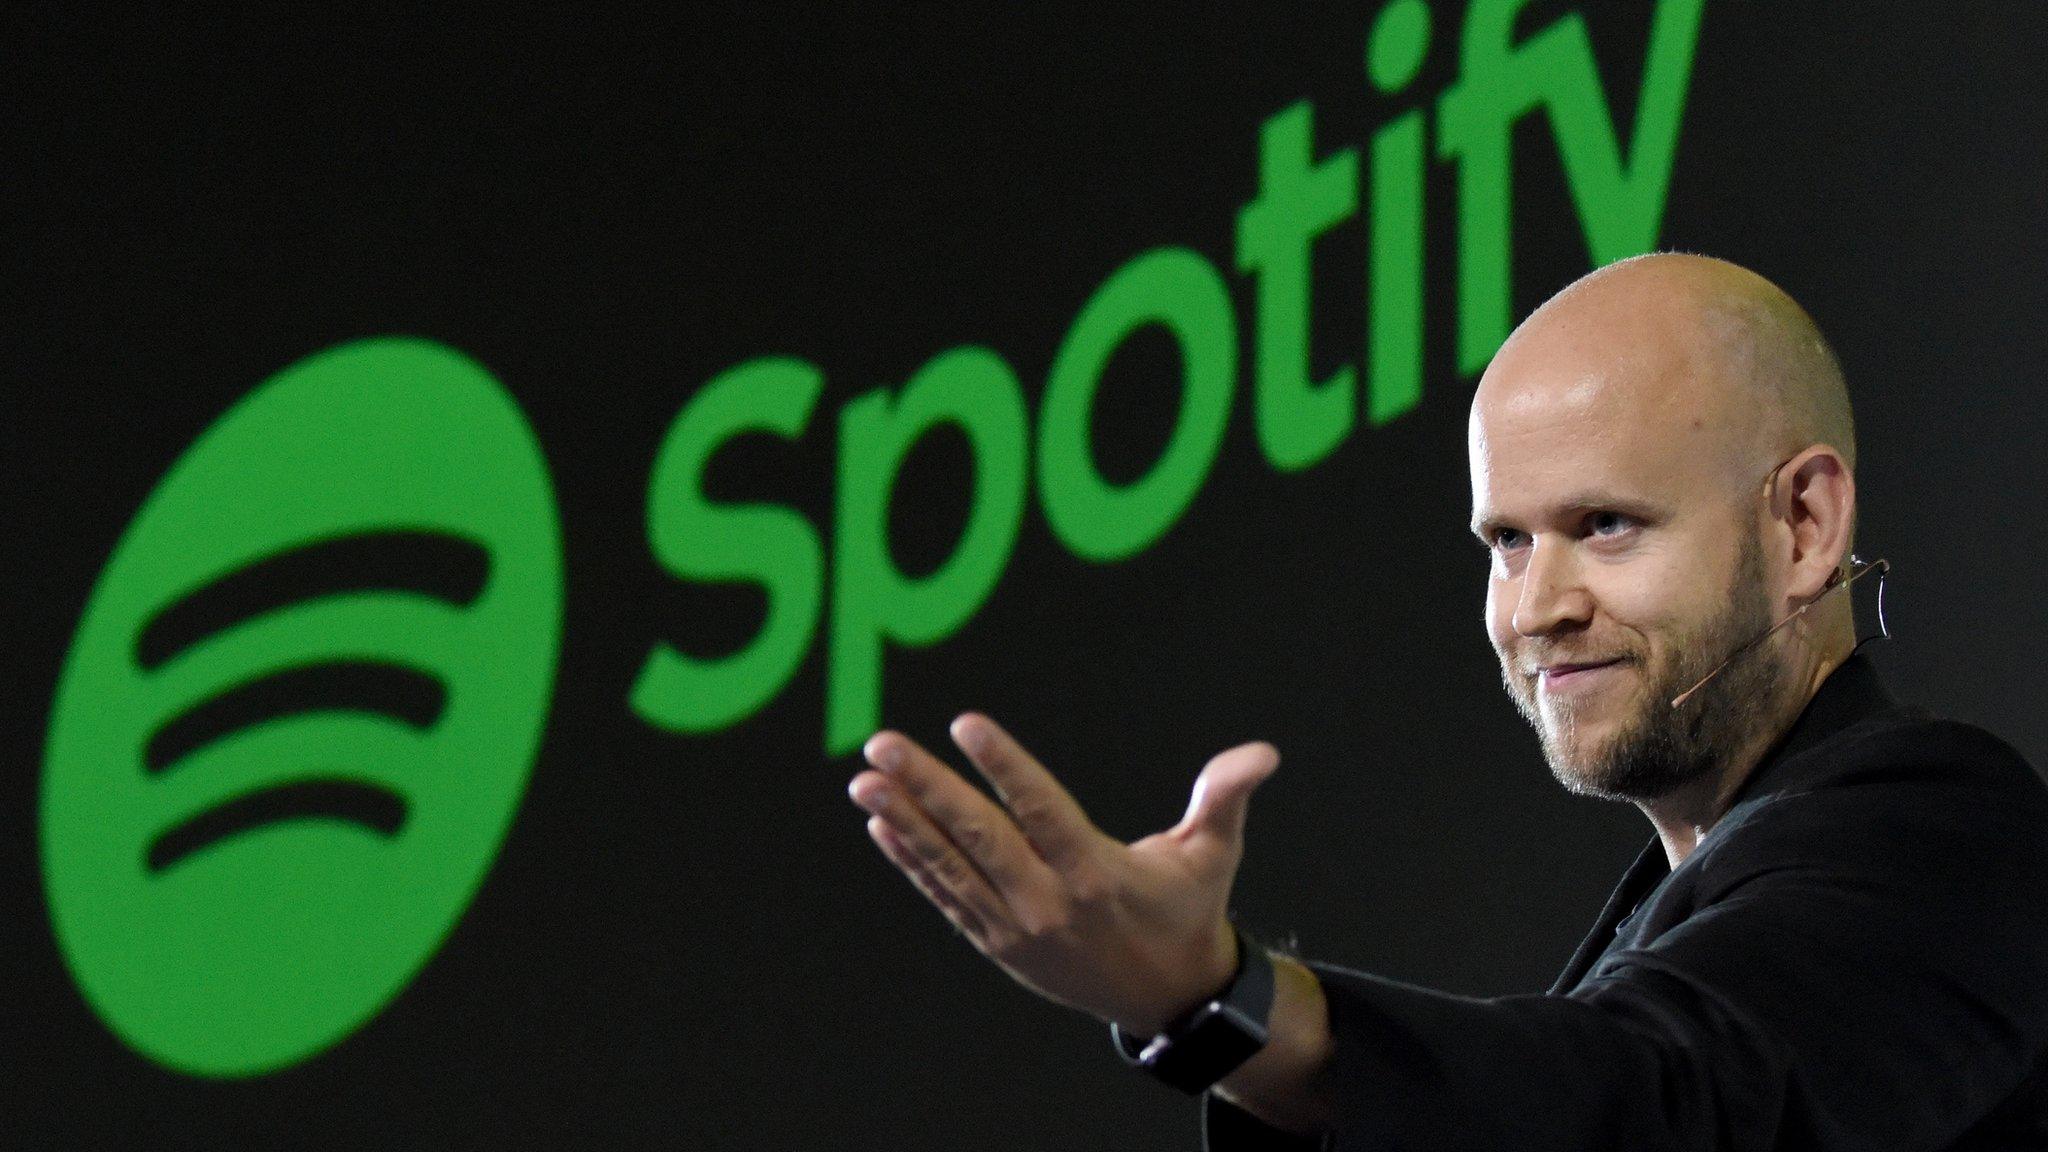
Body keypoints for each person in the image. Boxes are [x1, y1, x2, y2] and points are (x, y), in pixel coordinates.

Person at [844, 253, 2048, 1150]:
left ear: (1801, 524)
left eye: (1605, 526)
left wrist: (1222, 998)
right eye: (1506, 542)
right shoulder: (1676, 921)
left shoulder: (1948, 829)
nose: (1536, 607)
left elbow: (1661, 1103)